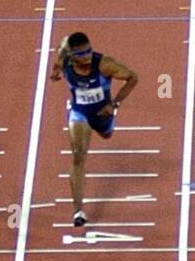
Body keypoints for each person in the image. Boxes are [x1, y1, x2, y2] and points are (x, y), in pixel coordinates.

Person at [48, 32, 138, 227]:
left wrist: (114, 104)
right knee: (78, 155)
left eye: (89, 51)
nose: (87, 56)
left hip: (102, 114)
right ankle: (78, 210)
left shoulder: (104, 64)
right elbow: (58, 60)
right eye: (81, 54)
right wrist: (55, 71)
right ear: (72, 56)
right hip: (80, 113)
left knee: (107, 135)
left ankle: (106, 126)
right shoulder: (65, 60)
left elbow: (133, 77)